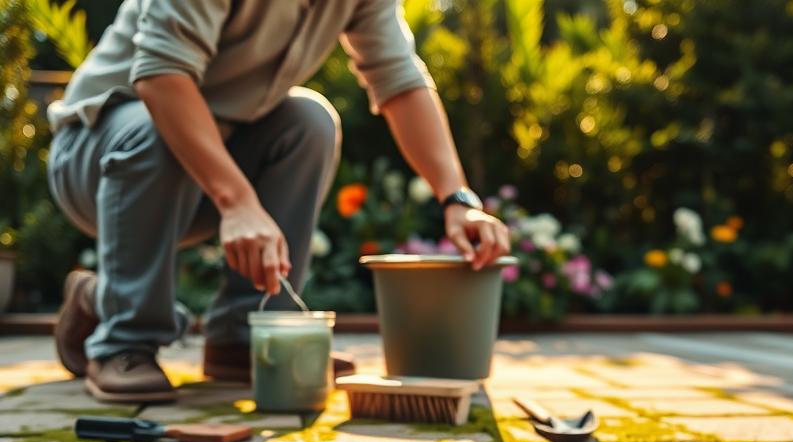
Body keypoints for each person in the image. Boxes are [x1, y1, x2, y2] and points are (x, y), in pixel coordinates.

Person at [47, 0, 511, 403]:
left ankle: (248, 336)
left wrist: (457, 197)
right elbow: (161, 78)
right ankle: (124, 338)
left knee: (310, 121)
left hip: (206, 166)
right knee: (155, 129)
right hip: (97, 157)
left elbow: (400, 80)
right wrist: (237, 201)